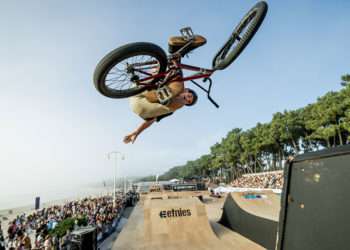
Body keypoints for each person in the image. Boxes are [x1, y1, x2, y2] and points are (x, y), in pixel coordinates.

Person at [124, 72, 198, 144]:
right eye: (190, 96)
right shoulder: (175, 86)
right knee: (169, 82)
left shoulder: (172, 109)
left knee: (172, 103)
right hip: (138, 92)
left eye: (188, 102)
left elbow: (151, 120)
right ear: (186, 91)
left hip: (139, 104)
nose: (188, 99)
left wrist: (136, 132)